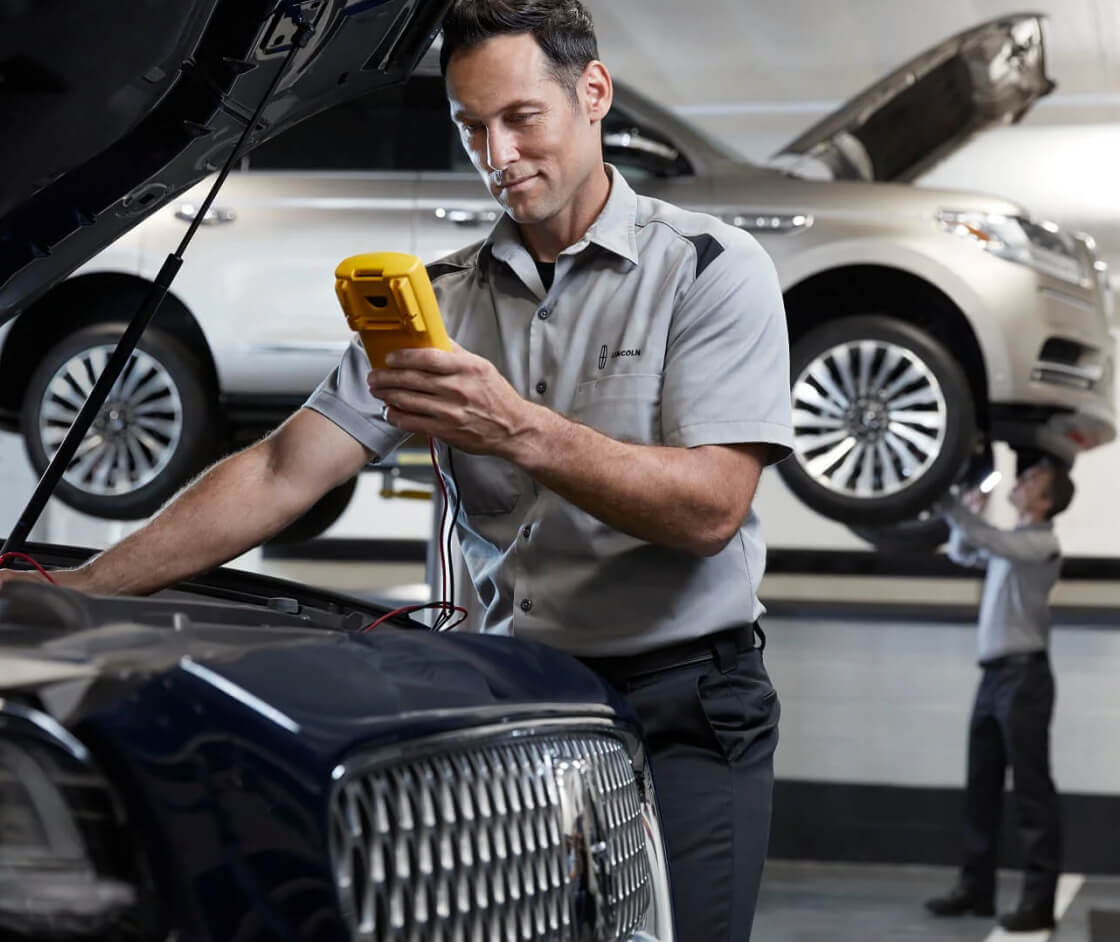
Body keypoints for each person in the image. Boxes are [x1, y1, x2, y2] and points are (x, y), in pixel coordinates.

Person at [0, 2, 791, 939]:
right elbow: (284, 470)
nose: (497, 155)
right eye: (470, 127)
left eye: (520, 118)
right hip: (523, 698)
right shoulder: (439, 301)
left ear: (594, 92)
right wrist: (87, 590)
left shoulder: (709, 270)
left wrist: (520, 431)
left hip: (686, 704)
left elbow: (709, 509)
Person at [924, 456, 1074, 933]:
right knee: (981, 787)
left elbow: (986, 540)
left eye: (1031, 480)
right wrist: (971, 511)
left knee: (1032, 794)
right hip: (993, 678)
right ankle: (976, 890)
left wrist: (945, 498)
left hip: (1024, 679)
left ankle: (1038, 902)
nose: (1021, 480)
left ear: (1045, 501)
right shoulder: (1012, 544)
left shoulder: (1041, 544)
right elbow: (965, 551)